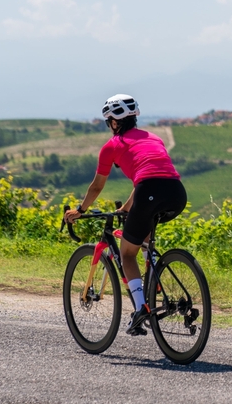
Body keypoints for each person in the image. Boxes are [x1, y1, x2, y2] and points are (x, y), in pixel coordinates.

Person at [64, 94, 186, 336]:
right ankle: (154, 287)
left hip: (148, 192)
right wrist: (126, 208)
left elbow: (97, 186)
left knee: (126, 253)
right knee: (144, 240)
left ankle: (141, 307)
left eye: (108, 121)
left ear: (114, 122)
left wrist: (81, 209)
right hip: (176, 193)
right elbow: (147, 180)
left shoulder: (112, 146)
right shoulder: (154, 138)